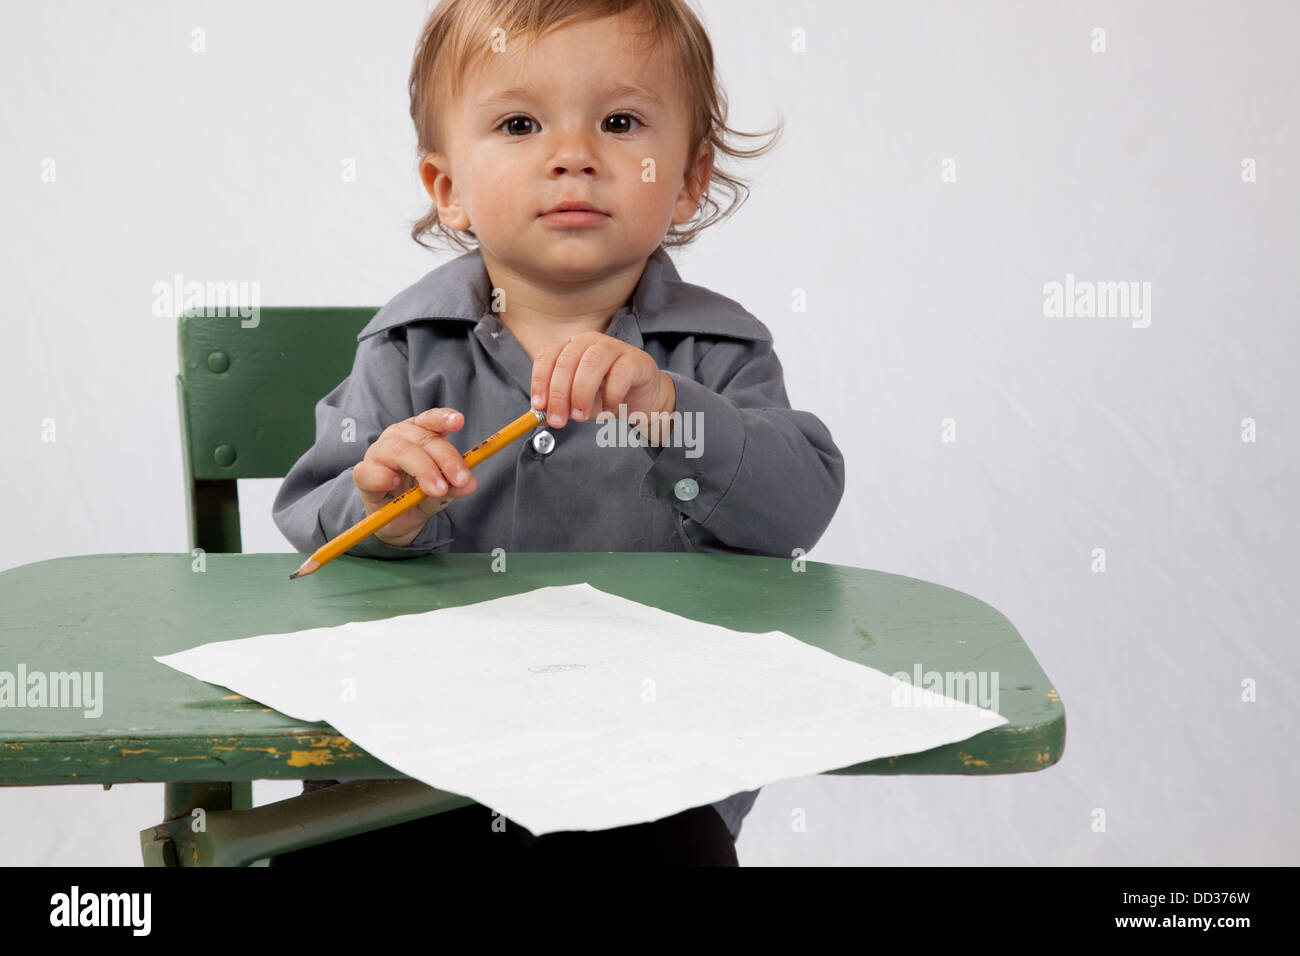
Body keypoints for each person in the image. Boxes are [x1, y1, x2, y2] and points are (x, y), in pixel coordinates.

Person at [270, 0, 845, 866]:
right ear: (448, 188)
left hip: (645, 768)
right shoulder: (404, 352)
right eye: (519, 123)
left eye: (619, 122)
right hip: (406, 761)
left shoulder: (720, 352)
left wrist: (672, 409)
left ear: (688, 180)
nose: (572, 154)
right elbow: (315, 529)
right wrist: (384, 511)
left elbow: (797, 508)